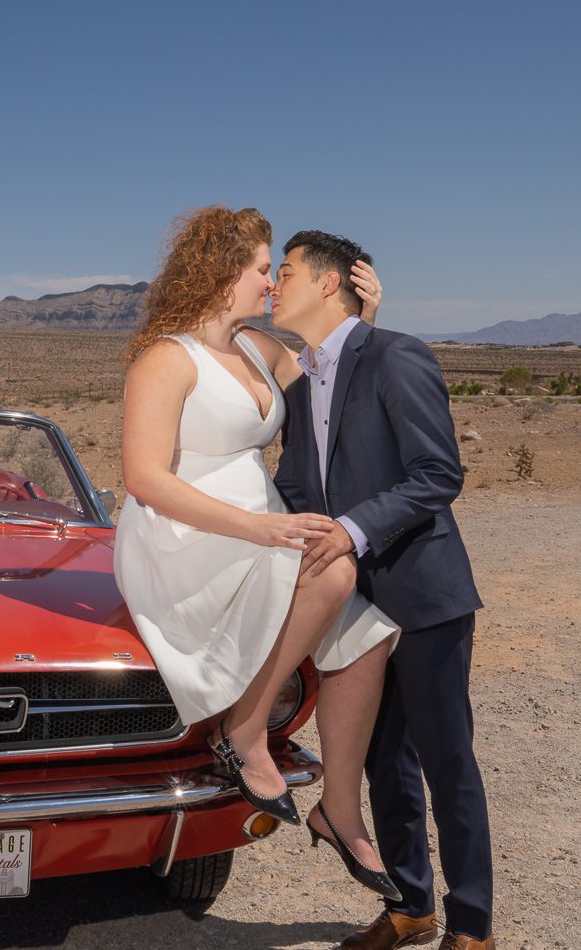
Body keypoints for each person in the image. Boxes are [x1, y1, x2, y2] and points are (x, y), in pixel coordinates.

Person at [115, 207, 398, 896]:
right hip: (184, 538)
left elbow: (342, 380)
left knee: (366, 639)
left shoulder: (259, 348)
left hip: (260, 524)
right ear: (223, 273)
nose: (272, 284)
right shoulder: (166, 358)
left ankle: (340, 809)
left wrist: (369, 316)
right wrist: (260, 530)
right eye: (262, 269)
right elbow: (145, 478)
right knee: (333, 568)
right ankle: (244, 730)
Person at [270, 230, 496, 950]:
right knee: (381, 762)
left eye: (287, 273)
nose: (274, 285)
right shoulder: (299, 388)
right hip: (355, 608)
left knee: (446, 761)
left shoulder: (397, 355)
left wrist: (353, 532)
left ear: (330, 284)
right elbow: (299, 486)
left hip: (424, 596)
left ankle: (472, 925)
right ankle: (409, 905)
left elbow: (439, 473)